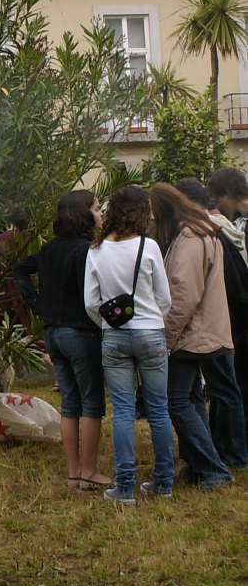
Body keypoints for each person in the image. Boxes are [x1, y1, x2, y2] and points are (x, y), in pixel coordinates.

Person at [84, 186, 174, 504]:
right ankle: (163, 482)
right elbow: (164, 298)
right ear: (141, 212)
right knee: (159, 409)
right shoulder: (149, 247)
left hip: (114, 335)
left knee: (122, 411)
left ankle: (124, 487)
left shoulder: (96, 250)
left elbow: (90, 302)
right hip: (150, 333)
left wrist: (108, 323)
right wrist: (152, 318)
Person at [14, 190, 109, 490]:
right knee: (92, 403)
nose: (100, 213)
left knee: (69, 403)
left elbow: (20, 269)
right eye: (96, 208)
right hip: (81, 333)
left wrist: (37, 303)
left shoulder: (49, 249)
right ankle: (89, 471)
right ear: (84, 213)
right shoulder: (88, 251)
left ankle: (73, 472)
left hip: (53, 333)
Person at [149, 184, 241, 485]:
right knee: (190, 398)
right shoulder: (201, 233)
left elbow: (184, 294)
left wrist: (166, 338)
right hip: (203, 331)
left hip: (191, 334)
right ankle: (201, 465)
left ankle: (213, 469)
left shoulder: (190, 238)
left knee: (176, 401)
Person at [175, 178, 248, 467]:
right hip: (226, 323)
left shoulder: (202, 234)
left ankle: (234, 453)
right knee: (226, 389)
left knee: (226, 390)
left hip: (218, 324)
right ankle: (227, 448)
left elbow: (192, 289)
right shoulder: (222, 231)